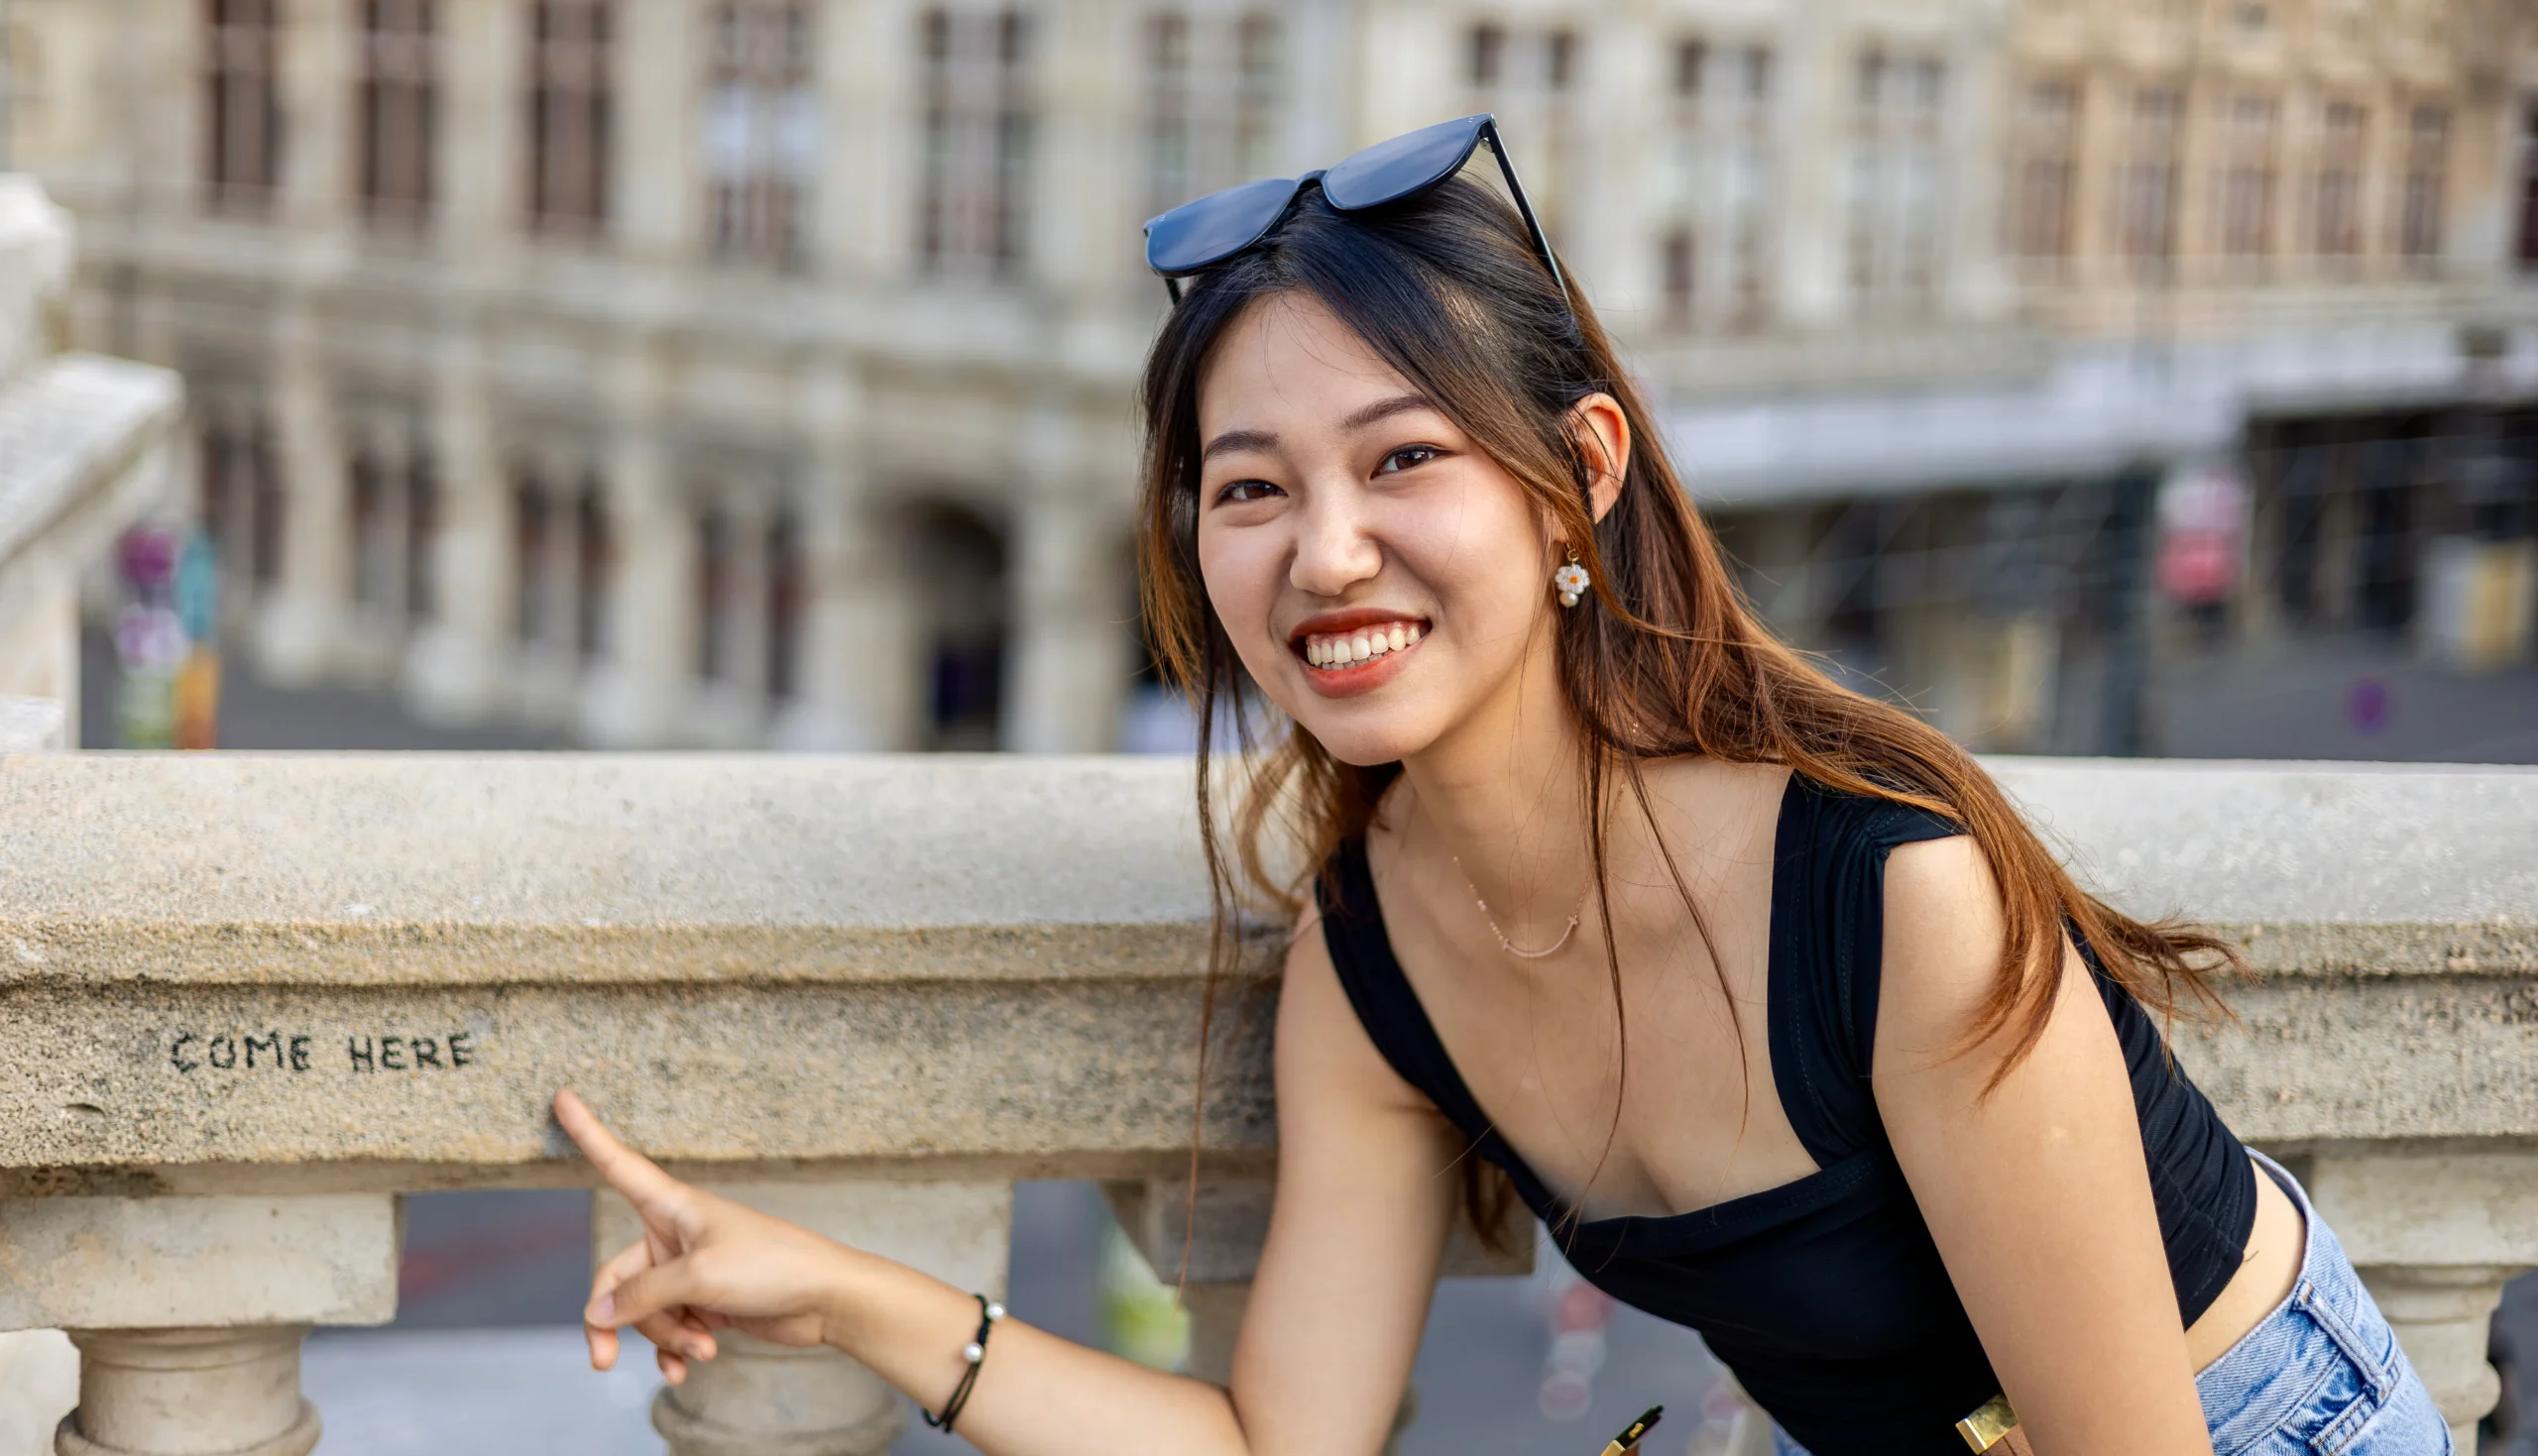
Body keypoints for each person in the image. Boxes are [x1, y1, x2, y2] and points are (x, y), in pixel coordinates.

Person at [557, 117, 2450, 1456]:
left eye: (1404, 461)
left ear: (1578, 478)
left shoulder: (1888, 893)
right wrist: (837, 1288)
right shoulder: (1371, 958)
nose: (1324, 555)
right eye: (1249, 488)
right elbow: (1273, 1441)